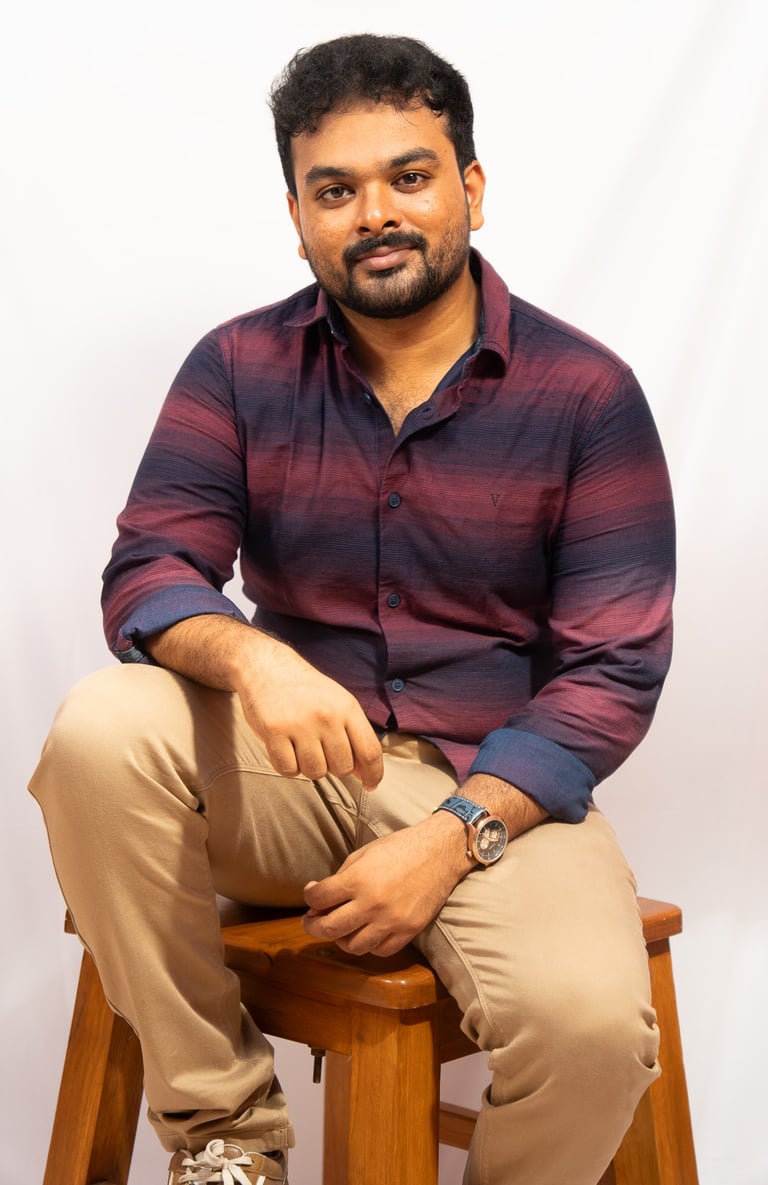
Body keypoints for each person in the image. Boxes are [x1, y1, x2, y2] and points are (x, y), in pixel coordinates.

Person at [30, 32, 675, 1185]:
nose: (374, 213)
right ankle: (226, 1137)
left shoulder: (588, 395)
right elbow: (151, 565)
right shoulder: (238, 367)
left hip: (498, 792)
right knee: (101, 726)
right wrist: (255, 663)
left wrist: (449, 839)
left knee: (588, 1032)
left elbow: (612, 672)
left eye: (409, 177)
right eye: (336, 189)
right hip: (301, 773)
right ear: (298, 215)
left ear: (469, 189)